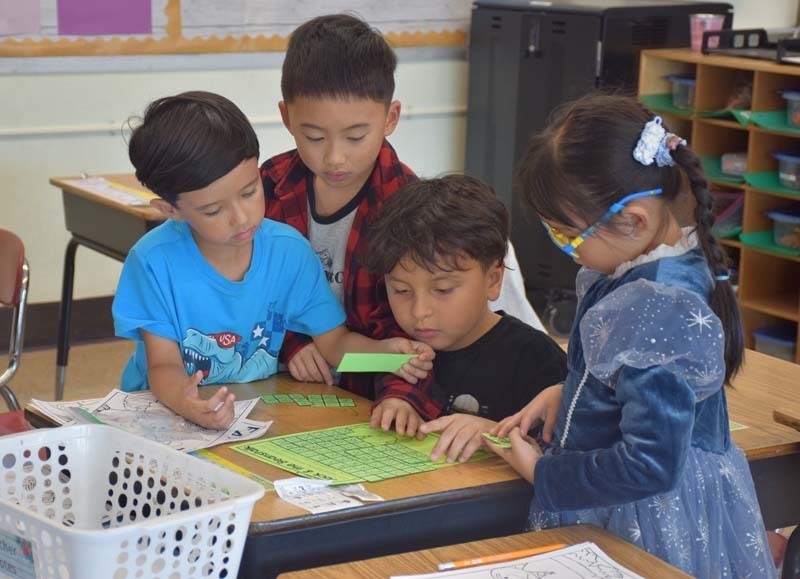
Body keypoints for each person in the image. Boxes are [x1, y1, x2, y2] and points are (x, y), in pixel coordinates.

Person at [489, 95, 775, 578]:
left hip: (644, 518)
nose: (562, 249)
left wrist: (543, 474)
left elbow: (649, 464)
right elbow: (639, 385)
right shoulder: (641, 269)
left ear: (635, 220)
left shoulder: (657, 304)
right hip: (630, 503)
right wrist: (571, 392)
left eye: (566, 234)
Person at [260, 13, 544, 433]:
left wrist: (400, 394)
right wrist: (294, 342)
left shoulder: (406, 207)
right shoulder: (268, 187)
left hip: (367, 398)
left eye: (356, 136)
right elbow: (249, 286)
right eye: (314, 137)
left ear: (390, 117)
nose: (335, 157)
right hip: (278, 382)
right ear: (286, 118)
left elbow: (415, 329)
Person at [112, 91, 432, 430]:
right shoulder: (153, 262)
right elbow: (162, 366)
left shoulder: (289, 253)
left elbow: (335, 345)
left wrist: (383, 355)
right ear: (170, 210)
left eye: (250, 192)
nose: (241, 217)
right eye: (213, 210)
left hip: (251, 414)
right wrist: (187, 402)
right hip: (160, 412)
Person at [366, 175, 566, 462]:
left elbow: (564, 457)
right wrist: (393, 400)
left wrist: (495, 435)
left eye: (443, 289)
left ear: (493, 279)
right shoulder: (395, 344)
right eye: (400, 290)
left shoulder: (535, 359)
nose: (419, 311)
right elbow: (353, 371)